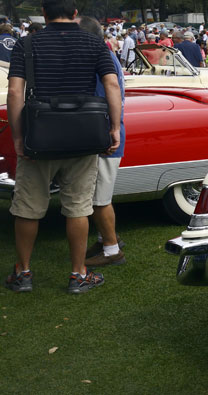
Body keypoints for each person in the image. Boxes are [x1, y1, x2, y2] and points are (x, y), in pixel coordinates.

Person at [4, 0, 121, 294]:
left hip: (40, 138)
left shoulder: (26, 43)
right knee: (78, 208)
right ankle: (77, 274)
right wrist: (114, 128)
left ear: (43, 13)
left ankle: (24, 272)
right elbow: (111, 84)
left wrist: (18, 137)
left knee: (28, 208)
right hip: (83, 138)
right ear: (75, 12)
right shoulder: (95, 42)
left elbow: (15, 93)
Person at [78, 17, 126, 267]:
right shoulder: (105, 55)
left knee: (99, 199)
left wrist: (112, 129)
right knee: (100, 195)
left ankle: (112, 249)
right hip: (108, 133)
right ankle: (105, 237)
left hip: (105, 134)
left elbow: (106, 97)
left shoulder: (99, 60)